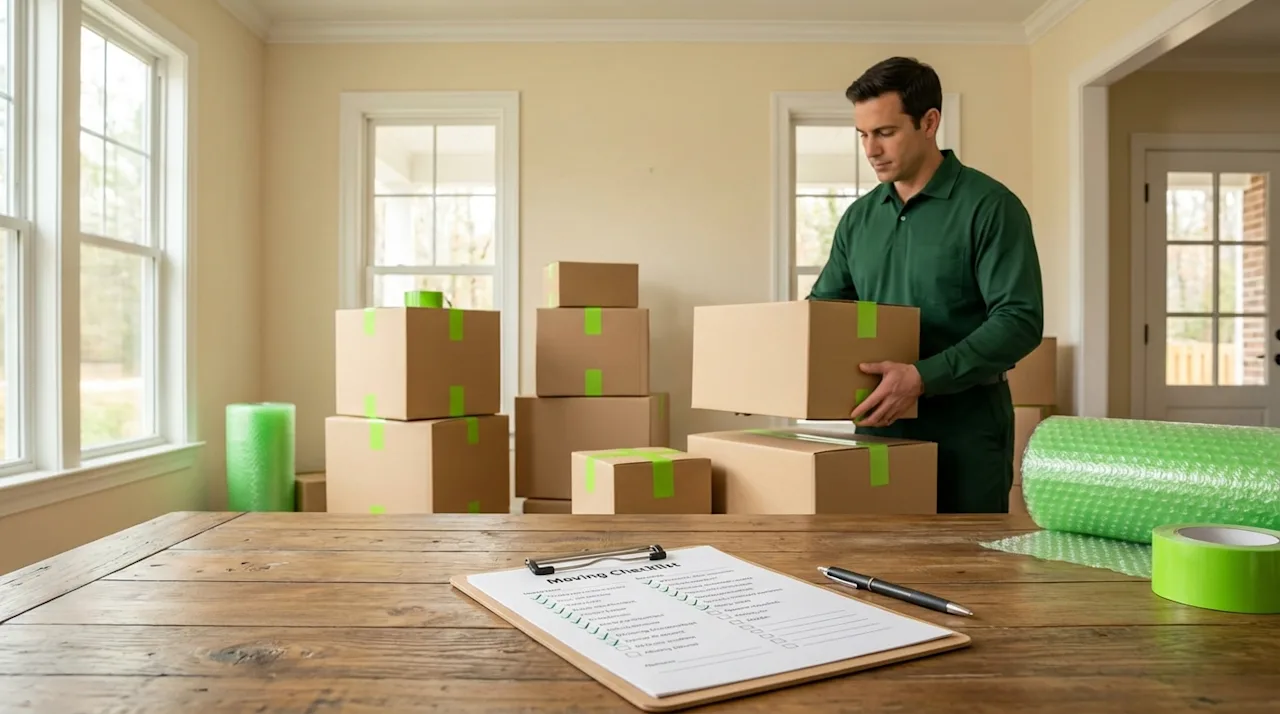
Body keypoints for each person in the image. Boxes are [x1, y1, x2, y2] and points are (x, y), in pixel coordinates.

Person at [807, 56, 1044, 514]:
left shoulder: (991, 207)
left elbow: (1019, 320)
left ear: (929, 122)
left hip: (966, 430)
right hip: (878, 427)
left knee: (966, 575)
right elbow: (824, 310)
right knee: (875, 564)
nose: (870, 149)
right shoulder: (858, 219)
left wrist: (921, 377)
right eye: (862, 135)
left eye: (885, 132)